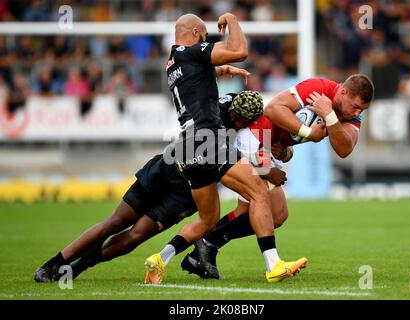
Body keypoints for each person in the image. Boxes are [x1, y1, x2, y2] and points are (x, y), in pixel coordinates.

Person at [33, 89, 264, 283]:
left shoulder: (246, 122)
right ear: (232, 107)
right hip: (168, 169)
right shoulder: (214, 113)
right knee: (115, 222)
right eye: (236, 117)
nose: (239, 123)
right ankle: (52, 264)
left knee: (136, 235)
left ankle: (79, 266)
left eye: (244, 121)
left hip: (190, 192)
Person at [144, 12, 306, 285]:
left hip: (187, 145)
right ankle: (274, 264)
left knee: (209, 218)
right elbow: (239, 50)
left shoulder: (173, 63)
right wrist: (231, 19)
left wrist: (220, 70)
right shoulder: (191, 51)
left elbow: (197, 78)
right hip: (207, 139)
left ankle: (160, 258)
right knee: (259, 192)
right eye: (205, 35)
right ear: (195, 32)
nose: (207, 39)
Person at [182, 74, 375, 279]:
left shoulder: (345, 115)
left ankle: (202, 250)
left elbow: (344, 149)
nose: (357, 112)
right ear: (344, 92)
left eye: (361, 110)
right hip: (254, 137)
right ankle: (272, 264)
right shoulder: (317, 88)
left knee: (250, 212)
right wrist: (308, 132)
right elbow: (272, 109)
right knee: (274, 208)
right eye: (355, 106)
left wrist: (329, 117)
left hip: (267, 146)